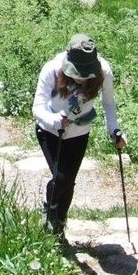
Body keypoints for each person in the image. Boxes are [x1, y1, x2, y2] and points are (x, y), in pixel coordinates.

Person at [32, 33, 126, 236]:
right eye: (77, 73)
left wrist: (114, 130)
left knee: (69, 182)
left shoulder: (104, 71)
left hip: (80, 133)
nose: (81, 78)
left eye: (86, 74)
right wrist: (54, 120)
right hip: (49, 130)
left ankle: (59, 225)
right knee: (61, 178)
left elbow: (108, 103)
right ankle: (50, 210)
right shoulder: (51, 68)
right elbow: (37, 107)